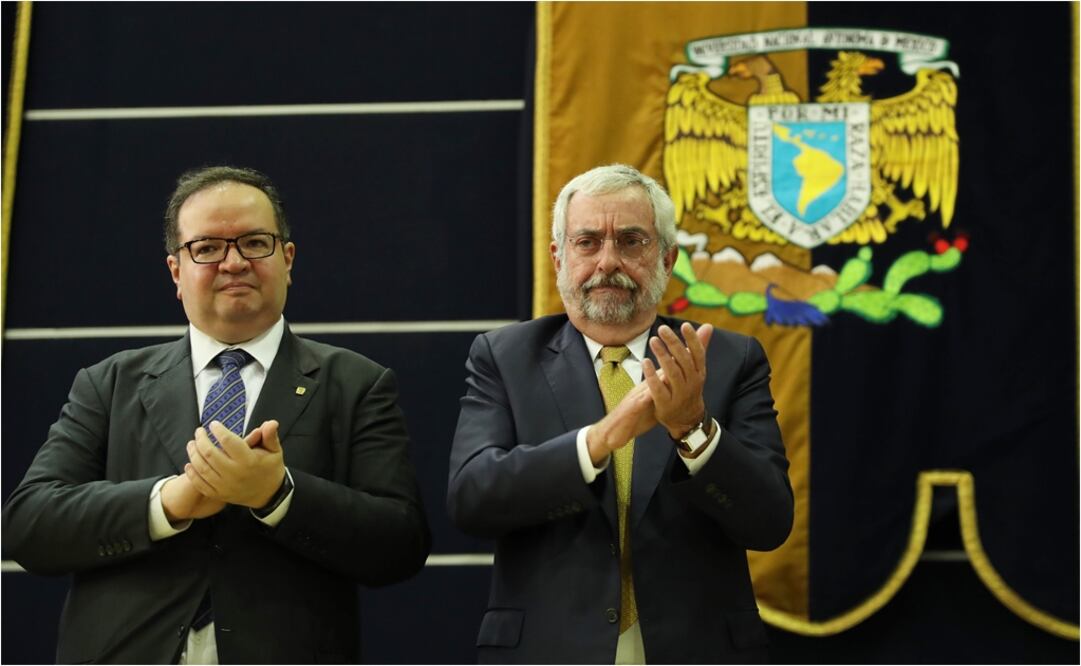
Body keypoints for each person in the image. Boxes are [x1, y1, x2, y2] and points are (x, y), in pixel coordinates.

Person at [2, 166, 431, 664]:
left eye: (255, 243)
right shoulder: (109, 383)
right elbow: (30, 525)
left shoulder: (357, 384)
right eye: (207, 248)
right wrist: (167, 502)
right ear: (175, 272)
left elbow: (400, 545)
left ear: (287, 259)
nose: (234, 263)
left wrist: (278, 495)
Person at [447, 164, 792, 664]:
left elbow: (770, 523)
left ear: (667, 259)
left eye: (631, 242)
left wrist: (693, 430)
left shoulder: (726, 360)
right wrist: (598, 440)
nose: (608, 261)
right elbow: (471, 499)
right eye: (587, 242)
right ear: (559, 257)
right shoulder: (505, 357)